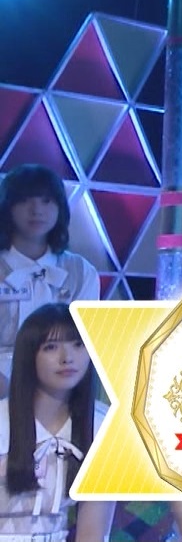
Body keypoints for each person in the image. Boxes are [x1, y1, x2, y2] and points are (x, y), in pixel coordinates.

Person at [0, 303, 114, 541]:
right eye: (51, 347)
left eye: (78, 345)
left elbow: (92, 533)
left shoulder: (103, 426)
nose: (67, 358)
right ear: (29, 355)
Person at [0, 165, 102, 396]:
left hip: (63, 387)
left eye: (46, 201)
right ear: (8, 207)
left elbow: (85, 341)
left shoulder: (81, 272)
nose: (36, 210)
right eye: (25, 201)